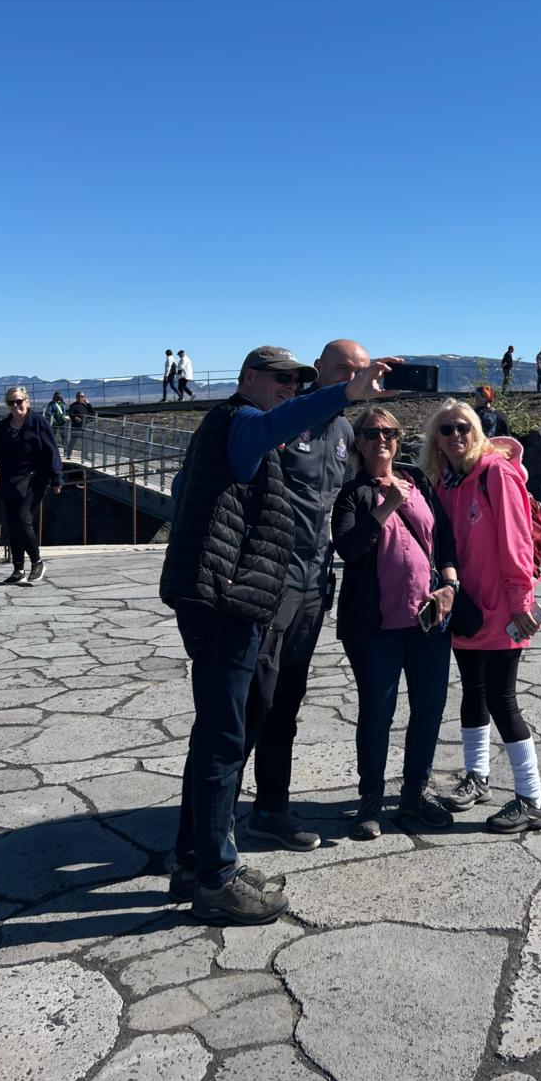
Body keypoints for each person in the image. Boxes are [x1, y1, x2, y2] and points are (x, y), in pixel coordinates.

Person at [160, 344, 394, 925]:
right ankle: (216, 879)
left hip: (247, 595)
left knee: (227, 727)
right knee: (227, 734)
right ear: (247, 378)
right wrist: (345, 393)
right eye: (279, 378)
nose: (287, 388)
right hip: (229, 599)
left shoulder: (259, 427)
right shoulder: (241, 423)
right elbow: (272, 427)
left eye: (295, 381)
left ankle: (196, 858)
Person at [236, 340, 372, 855]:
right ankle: (216, 820)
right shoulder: (284, 417)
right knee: (251, 703)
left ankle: (271, 808)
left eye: (360, 371)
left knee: (285, 705)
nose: (352, 379)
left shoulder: (342, 430)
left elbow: (349, 494)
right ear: (320, 370)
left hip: (315, 584)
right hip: (270, 584)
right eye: (342, 370)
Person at [420, 400, 541, 833]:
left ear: (478, 431)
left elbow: (516, 544)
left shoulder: (496, 474)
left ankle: (532, 797)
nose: (456, 435)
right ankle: (477, 777)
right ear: (435, 439)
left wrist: (519, 600)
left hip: (501, 607)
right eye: (446, 429)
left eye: (463, 427)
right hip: (466, 609)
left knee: (502, 699)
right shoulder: (446, 482)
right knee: (472, 693)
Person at [332, 406, 457, 840]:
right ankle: (369, 801)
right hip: (374, 625)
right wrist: (387, 507)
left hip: (428, 619)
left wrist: (450, 584)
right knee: (377, 712)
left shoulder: (418, 480)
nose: (381, 439)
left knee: (429, 709)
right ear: (359, 443)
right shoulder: (352, 493)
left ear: (399, 439)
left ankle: (414, 795)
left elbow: (443, 537)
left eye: (389, 433)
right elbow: (349, 548)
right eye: (371, 433)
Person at [0, 387, 62, 584]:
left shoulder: (38, 423)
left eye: (19, 401)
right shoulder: (2, 428)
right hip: (10, 481)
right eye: (11, 402)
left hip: (33, 480)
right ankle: (18, 570)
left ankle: (37, 562)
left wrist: (56, 478)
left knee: (23, 520)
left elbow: (52, 451)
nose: (16, 405)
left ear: (27, 401)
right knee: (12, 525)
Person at [66, 391, 95, 458]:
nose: (80, 398)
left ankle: (85, 456)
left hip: (84, 427)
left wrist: (88, 403)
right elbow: (70, 414)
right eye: (78, 396)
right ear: (76, 397)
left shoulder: (85, 406)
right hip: (76, 427)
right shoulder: (73, 405)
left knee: (85, 442)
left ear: (84, 397)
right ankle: (68, 455)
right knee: (73, 442)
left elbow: (93, 413)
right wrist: (75, 417)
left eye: (82, 396)